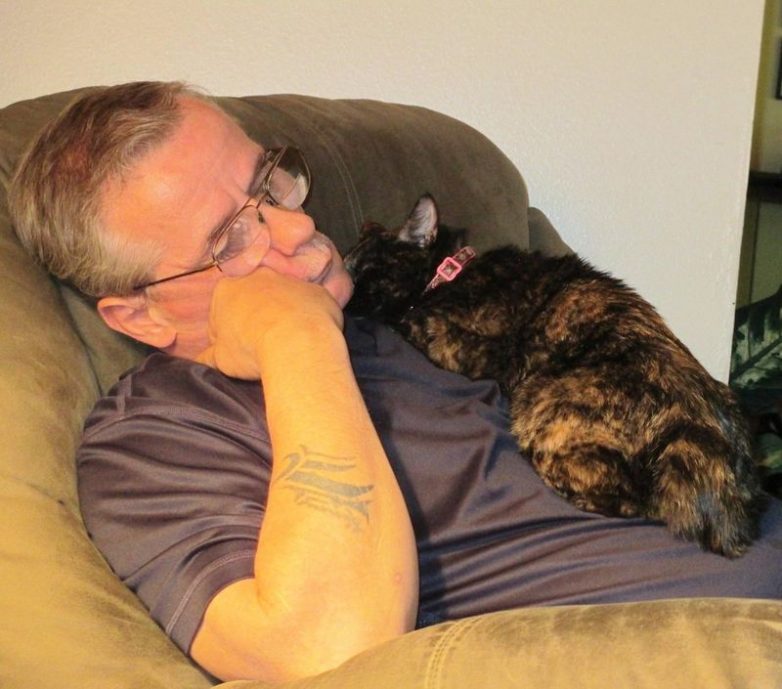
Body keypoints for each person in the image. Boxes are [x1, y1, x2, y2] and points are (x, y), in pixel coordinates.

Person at [8, 81, 782, 683]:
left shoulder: (405, 317)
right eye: (231, 237)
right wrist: (295, 336)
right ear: (140, 316)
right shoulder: (152, 442)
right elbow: (328, 651)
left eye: (270, 182)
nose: (297, 227)